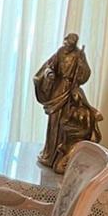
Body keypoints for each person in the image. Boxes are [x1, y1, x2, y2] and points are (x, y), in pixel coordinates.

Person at [33, 33, 103, 170]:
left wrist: (82, 64)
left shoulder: (78, 54)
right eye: (66, 44)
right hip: (58, 89)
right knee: (54, 122)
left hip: (70, 90)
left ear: (74, 45)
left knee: (65, 121)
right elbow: (50, 66)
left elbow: (84, 75)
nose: (67, 47)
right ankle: (50, 154)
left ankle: (61, 156)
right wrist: (50, 74)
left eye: (70, 45)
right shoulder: (60, 52)